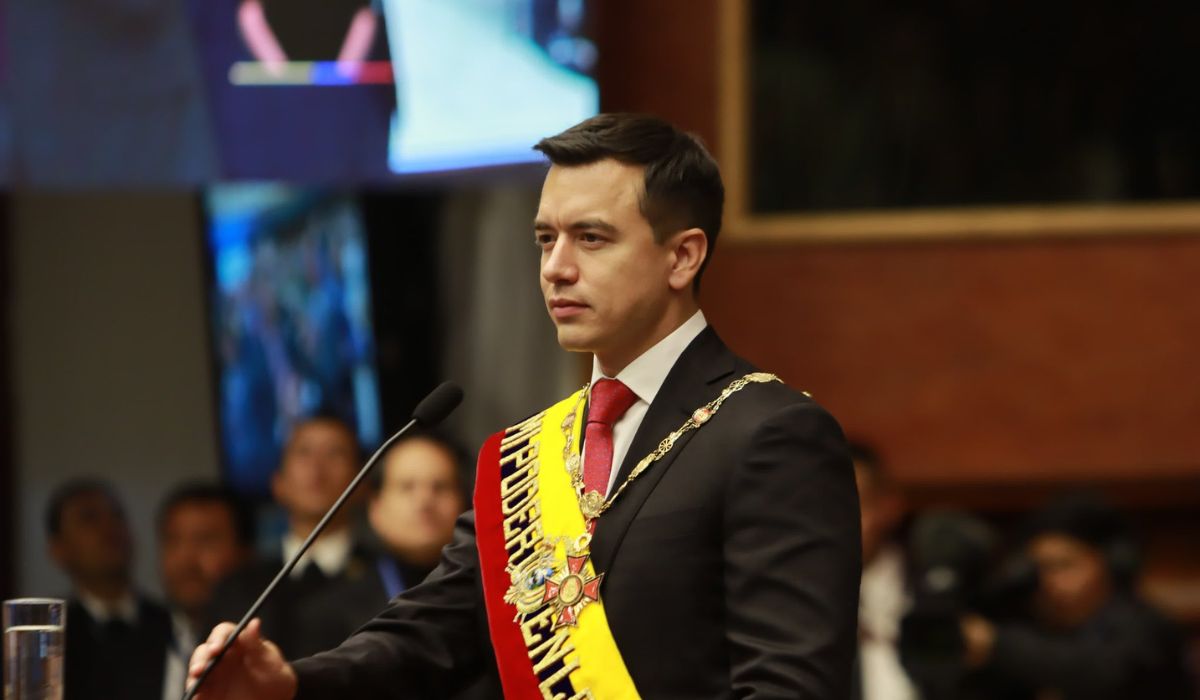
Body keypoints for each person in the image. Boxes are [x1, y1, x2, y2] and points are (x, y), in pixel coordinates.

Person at [189, 113, 861, 699]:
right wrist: (292, 683)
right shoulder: (526, 453)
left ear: (682, 257)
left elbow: (790, 685)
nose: (555, 267)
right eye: (545, 238)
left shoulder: (769, 432)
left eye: (591, 238)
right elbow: (434, 633)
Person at [959, 493, 1194, 700]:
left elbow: (1100, 672)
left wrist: (997, 645)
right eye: (1039, 569)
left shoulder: (1145, 628)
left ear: (1112, 564)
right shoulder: (1033, 627)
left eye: (1064, 565)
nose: (1049, 582)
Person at [204, 414, 376, 660]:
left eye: (335, 453)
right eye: (304, 453)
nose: (317, 468)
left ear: (362, 483)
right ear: (278, 483)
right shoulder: (239, 587)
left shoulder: (386, 576)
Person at [46, 479, 174, 700]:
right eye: (89, 518)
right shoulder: (52, 635)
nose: (109, 527)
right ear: (58, 549)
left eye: (117, 515)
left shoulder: (171, 624)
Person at [158, 484, 255, 700]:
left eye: (205, 540)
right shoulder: (132, 641)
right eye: (173, 541)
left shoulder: (260, 647)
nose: (186, 560)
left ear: (245, 552)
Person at [849, 443, 917, 700]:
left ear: (889, 505)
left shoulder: (927, 575)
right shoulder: (796, 597)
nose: (837, 524)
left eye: (855, 504)